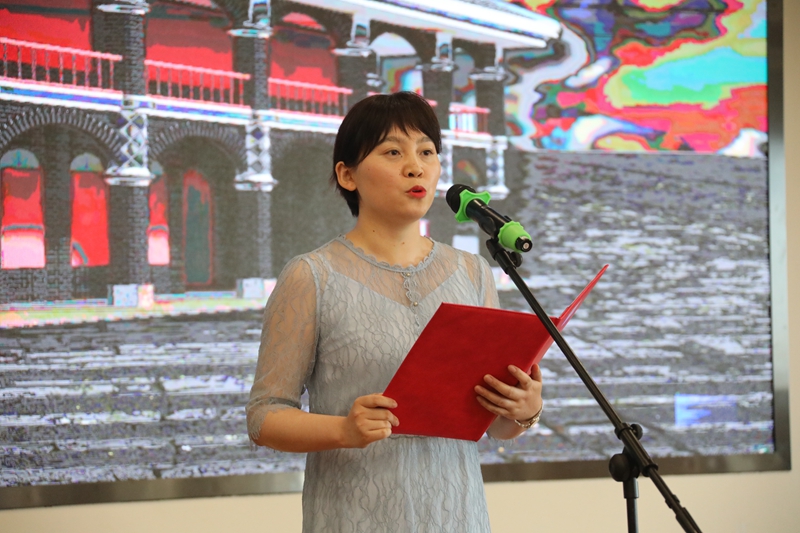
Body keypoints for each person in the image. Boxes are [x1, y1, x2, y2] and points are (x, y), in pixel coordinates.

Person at [246, 91, 543, 533]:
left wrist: (523, 409)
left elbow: (493, 425)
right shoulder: (312, 276)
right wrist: (343, 431)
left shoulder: (472, 272)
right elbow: (264, 416)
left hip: (457, 517)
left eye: (426, 152)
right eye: (392, 152)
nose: (415, 166)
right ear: (347, 175)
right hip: (355, 517)